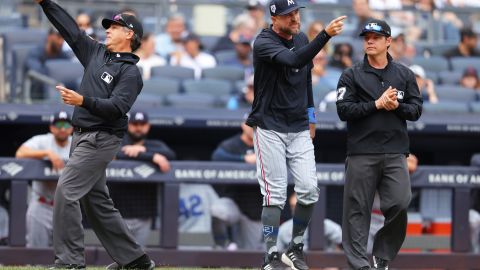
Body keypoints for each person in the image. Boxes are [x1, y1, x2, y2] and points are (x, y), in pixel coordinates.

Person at [35, 0, 154, 269]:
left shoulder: (130, 72)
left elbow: (117, 108)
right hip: (81, 138)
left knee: (66, 192)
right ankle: (136, 260)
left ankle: (70, 262)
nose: (109, 30)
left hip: (101, 138)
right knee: (97, 203)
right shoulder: (96, 53)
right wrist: (46, 4)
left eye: (115, 26)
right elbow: (72, 31)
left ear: (130, 34)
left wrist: (82, 101)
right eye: (109, 26)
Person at [245, 0, 346, 268]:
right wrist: (324, 35)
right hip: (269, 126)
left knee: (310, 190)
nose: (295, 19)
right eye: (289, 15)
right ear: (274, 18)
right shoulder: (264, 42)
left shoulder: (301, 38)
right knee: (275, 195)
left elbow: (305, 80)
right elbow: (293, 60)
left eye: (297, 13)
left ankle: (295, 247)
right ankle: (270, 254)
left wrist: (312, 116)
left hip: (300, 125)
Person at [336, 19, 422, 270]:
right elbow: (344, 110)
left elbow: (416, 110)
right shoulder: (351, 74)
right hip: (362, 152)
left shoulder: (404, 74)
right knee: (356, 212)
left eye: (375, 37)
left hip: (395, 151)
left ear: (388, 41)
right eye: (366, 37)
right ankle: (359, 266)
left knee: (400, 202)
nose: (370, 41)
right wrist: (377, 104)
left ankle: (381, 256)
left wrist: (397, 107)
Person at [113, 111, 176, 247]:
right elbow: (117, 153)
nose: (138, 127)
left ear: (148, 126)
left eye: (142, 124)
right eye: (135, 124)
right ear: (128, 125)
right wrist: (152, 157)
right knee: (116, 256)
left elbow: (171, 155)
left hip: (144, 212)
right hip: (117, 212)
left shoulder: (155, 145)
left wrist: (143, 150)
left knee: (138, 257)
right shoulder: (118, 141)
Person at [15, 111, 73, 248]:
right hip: (42, 204)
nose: (63, 128)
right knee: (36, 252)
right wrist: (46, 153)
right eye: (59, 124)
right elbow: (20, 154)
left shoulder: (78, 143)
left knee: (68, 253)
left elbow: (108, 158)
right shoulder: (42, 141)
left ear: (71, 128)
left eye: (66, 124)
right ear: (52, 128)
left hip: (68, 206)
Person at [277, 192, 342, 252]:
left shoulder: (326, 225)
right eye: (293, 206)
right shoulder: (284, 229)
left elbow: (343, 246)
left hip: (324, 262)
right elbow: (277, 255)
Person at [24, 28, 71, 100]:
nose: (61, 41)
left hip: (61, 97)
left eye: (63, 38)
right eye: (59, 37)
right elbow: (38, 73)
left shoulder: (64, 56)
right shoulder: (34, 53)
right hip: (38, 98)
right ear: (49, 37)